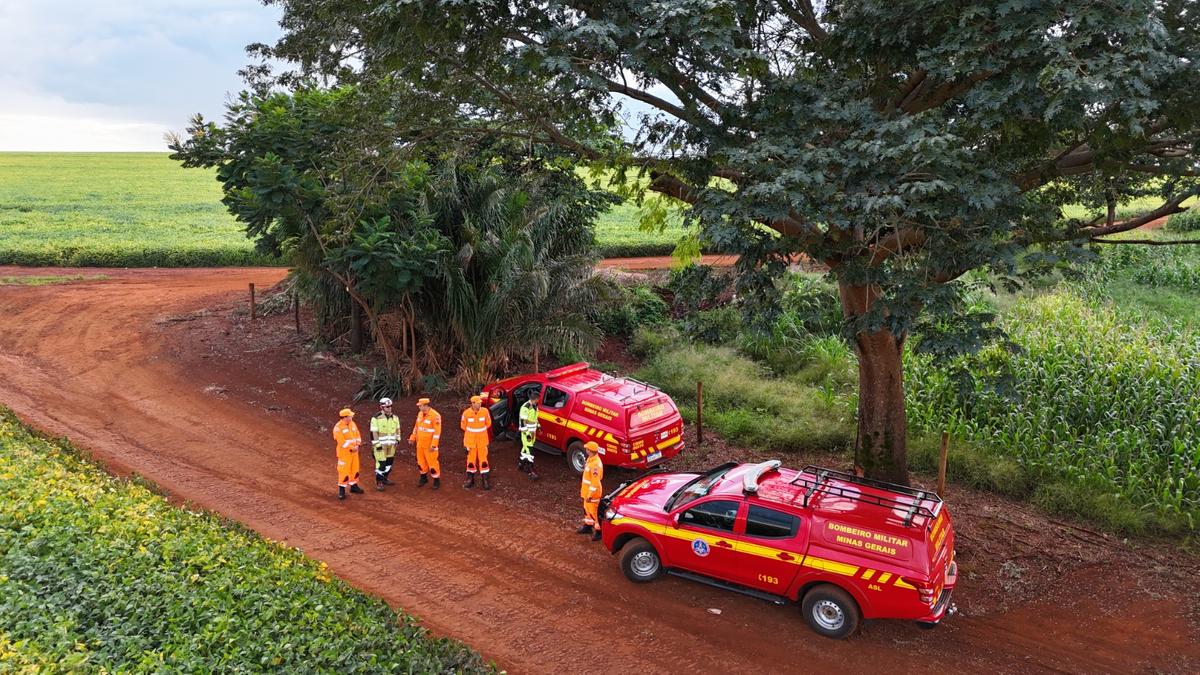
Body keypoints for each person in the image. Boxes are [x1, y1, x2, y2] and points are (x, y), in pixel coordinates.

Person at [409, 397, 442, 489]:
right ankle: (423, 478)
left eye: (420, 406)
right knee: (421, 462)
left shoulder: (435, 416)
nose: (419, 407)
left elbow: (437, 432)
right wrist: (412, 438)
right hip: (420, 444)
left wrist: (434, 445)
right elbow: (416, 427)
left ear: (425, 406)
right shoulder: (420, 414)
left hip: (429, 445)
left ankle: (436, 480)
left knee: (432, 463)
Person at [461, 394, 492, 490]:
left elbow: (488, 423)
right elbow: (463, 426)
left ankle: (485, 480)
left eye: (480, 403)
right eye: (478, 403)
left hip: (482, 441)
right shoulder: (466, 413)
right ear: (473, 404)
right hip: (470, 442)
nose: (479, 405)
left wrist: (479, 432)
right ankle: (470, 479)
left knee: (483, 461)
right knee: (470, 460)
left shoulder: (485, 411)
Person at [370, 397, 401, 491]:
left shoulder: (395, 418)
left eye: (390, 406)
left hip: (391, 446)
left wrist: (398, 440)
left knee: (389, 464)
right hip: (380, 447)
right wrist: (377, 445)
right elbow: (373, 433)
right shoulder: (376, 418)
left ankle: (384, 478)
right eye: (387, 406)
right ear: (382, 407)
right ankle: (379, 482)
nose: (389, 408)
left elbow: (398, 430)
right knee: (381, 464)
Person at [333, 407, 364, 500]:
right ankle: (341, 490)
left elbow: (358, 435)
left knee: (355, 469)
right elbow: (341, 442)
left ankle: (353, 486)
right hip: (344, 453)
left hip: (354, 452)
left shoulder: (352, 424)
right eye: (350, 416)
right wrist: (352, 448)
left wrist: (358, 445)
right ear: (344, 417)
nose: (351, 417)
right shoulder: (337, 428)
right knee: (343, 471)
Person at [577, 440, 603, 541]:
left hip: (592, 494)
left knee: (594, 512)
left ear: (590, 451)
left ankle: (599, 531)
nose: (585, 449)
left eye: (587, 448)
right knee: (587, 510)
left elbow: (595, 482)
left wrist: (590, 495)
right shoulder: (591, 459)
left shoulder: (595, 464)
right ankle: (588, 526)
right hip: (587, 492)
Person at [517, 397, 540, 480]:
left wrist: (539, 427)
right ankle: (531, 470)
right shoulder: (526, 407)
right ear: (534, 399)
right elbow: (523, 422)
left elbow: (535, 419)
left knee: (525, 448)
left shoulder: (534, 406)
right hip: (526, 433)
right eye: (537, 400)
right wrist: (527, 434)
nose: (538, 401)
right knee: (530, 450)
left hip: (532, 432)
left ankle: (521, 464)